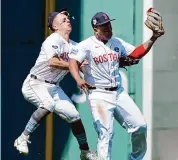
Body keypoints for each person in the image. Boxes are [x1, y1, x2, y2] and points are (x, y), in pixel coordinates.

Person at [69, 11, 164, 160]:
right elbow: (73, 62)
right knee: (105, 133)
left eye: (109, 24)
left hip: (118, 92)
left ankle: (135, 158)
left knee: (140, 126)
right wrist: (78, 79)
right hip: (98, 94)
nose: (108, 28)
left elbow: (135, 54)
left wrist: (154, 37)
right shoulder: (86, 45)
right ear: (96, 30)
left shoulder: (117, 42)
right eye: (104, 26)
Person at [14, 8, 97, 160]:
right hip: (35, 82)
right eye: (63, 19)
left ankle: (85, 152)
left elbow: (84, 66)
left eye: (68, 18)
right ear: (54, 26)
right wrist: (74, 65)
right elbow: (53, 62)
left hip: (53, 86)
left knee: (74, 115)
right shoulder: (53, 40)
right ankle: (23, 137)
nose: (67, 20)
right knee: (48, 104)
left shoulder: (74, 46)